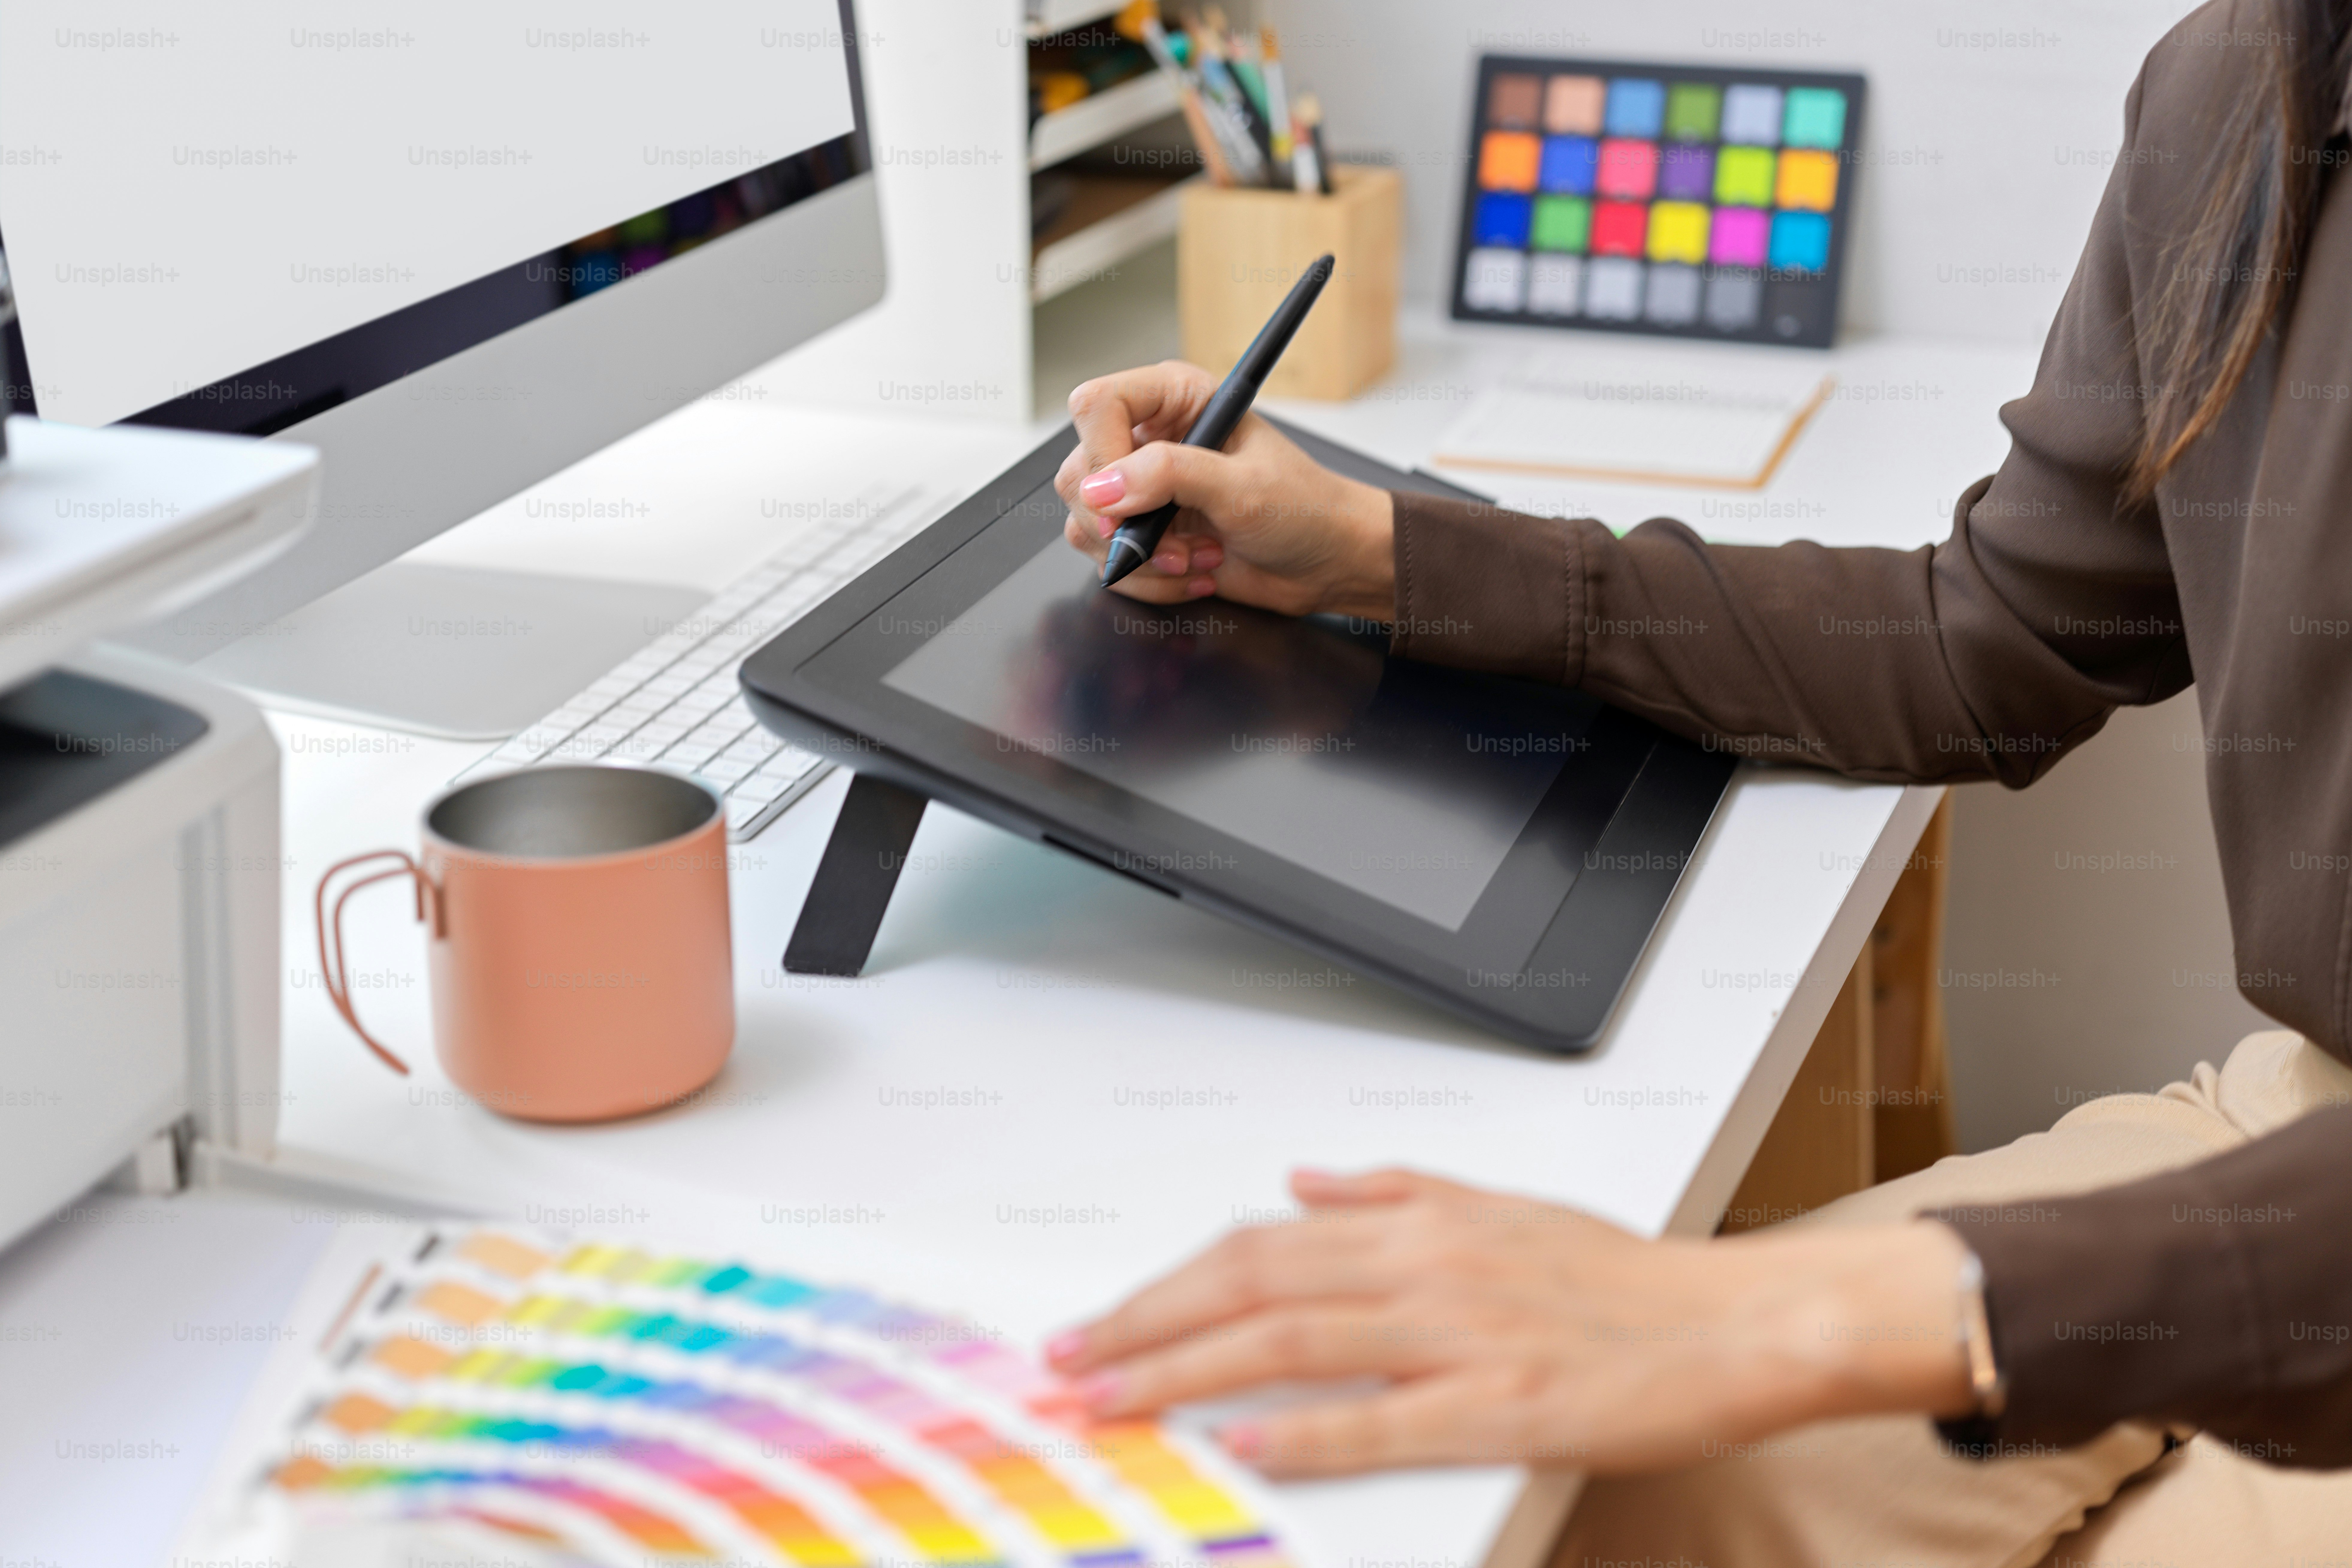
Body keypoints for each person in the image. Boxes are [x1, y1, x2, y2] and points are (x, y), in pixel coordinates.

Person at [1043, 4, 2352, 1562]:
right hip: (2294, 1134)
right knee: (1551, 1504)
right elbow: (1994, 634)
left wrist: (1811, 1308)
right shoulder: (2254, 90)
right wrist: (1386, 553)